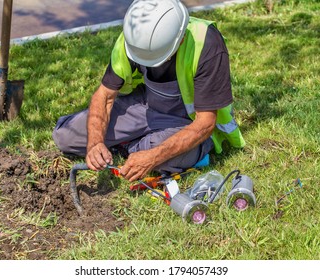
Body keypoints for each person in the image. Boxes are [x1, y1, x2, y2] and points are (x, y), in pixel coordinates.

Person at [52, 0, 245, 182]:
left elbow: (205, 123)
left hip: (188, 121)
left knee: (159, 156)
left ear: (181, 39)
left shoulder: (207, 44)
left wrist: (152, 157)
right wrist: (95, 143)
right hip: (147, 106)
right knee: (66, 136)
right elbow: (105, 96)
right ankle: (135, 146)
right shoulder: (135, 37)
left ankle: (144, 147)